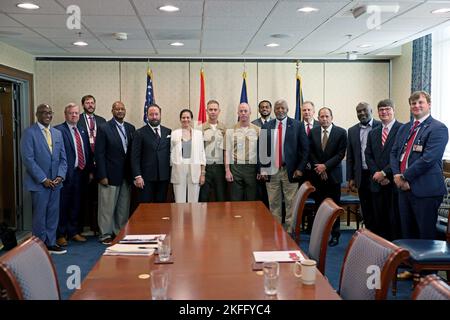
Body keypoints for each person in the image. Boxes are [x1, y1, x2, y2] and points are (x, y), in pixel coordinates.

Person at [391, 91, 449, 240]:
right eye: (413, 103)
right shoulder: (404, 128)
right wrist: (397, 175)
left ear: (429, 105)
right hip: (403, 188)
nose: (416, 106)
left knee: (425, 234)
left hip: (426, 190)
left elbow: (429, 159)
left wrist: (405, 177)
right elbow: (394, 153)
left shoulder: (438, 128)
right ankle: (409, 263)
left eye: (420, 102)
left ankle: (425, 264)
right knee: (407, 232)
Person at [20, 104, 67, 254]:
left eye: (49, 112)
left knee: (53, 213)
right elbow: (28, 159)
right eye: (44, 112)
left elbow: (63, 159)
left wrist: (60, 176)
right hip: (40, 183)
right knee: (40, 215)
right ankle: (39, 247)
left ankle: (51, 243)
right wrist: (43, 179)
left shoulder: (57, 133)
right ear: (37, 114)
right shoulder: (29, 133)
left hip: (56, 183)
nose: (47, 115)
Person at [259, 99, 309, 233]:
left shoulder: (297, 125)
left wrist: (300, 168)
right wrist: (263, 169)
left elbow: (305, 149)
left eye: (283, 108)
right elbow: (262, 149)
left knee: (291, 204)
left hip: (291, 171)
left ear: (287, 109)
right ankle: (276, 232)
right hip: (272, 171)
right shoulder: (267, 126)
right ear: (274, 110)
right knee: (274, 204)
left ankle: (289, 233)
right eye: (277, 108)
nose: (280, 110)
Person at [95, 101, 135, 244]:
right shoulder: (104, 128)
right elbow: (99, 154)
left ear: (125, 111)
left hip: (126, 175)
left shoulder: (131, 128)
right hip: (109, 175)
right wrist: (102, 175)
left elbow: (131, 153)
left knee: (123, 207)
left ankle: (119, 232)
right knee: (107, 206)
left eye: (122, 109)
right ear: (112, 111)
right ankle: (105, 234)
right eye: (117, 109)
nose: (120, 111)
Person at [309, 107, 347, 246]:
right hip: (318, 176)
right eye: (321, 116)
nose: (324, 119)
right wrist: (319, 167)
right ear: (318, 118)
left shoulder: (341, 132)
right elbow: (310, 152)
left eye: (326, 116)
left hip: (333, 176)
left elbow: (340, 154)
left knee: (334, 207)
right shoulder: (313, 132)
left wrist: (325, 166)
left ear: (332, 117)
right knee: (319, 207)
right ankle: (320, 234)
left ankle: (335, 235)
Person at [55, 103, 92, 247]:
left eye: (76, 113)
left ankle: (73, 231)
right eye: (71, 113)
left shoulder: (82, 130)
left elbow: (87, 151)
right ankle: (61, 234)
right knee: (63, 204)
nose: (74, 115)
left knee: (77, 204)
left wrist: (89, 171)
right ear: (66, 115)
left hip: (81, 173)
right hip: (65, 174)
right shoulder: (58, 130)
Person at [365, 99, 402, 240]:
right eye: (381, 110)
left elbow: (399, 155)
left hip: (394, 183)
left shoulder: (402, 129)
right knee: (378, 220)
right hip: (376, 183)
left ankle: (393, 254)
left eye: (387, 109)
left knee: (393, 221)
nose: (384, 112)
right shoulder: (373, 132)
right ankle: (380, 251)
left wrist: (385, 173)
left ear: (393, 110)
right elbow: (368, 155)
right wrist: (377, 174)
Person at [346, 102, 381, 232]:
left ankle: (380, 239)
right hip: (361, 176)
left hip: (378, 175)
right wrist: (350, 178)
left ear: (371, 111)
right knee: (366, 210)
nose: (362, 113)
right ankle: (369, 237)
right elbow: (350, 156)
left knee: (378, 209)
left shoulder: (380, 125)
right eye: (359, 111)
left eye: (364, 110)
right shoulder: (352, 130)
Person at [78, 95, 106, 236]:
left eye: (92, 102)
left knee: (99, 197)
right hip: (84, 165)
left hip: (99, 164)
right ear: (83, 105)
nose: (90, 105)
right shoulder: (78, 120)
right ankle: (84, 227)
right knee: (84, 197)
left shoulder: (102, 121)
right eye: (87, 103)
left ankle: (97, 227)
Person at [131, 104, 171, 203]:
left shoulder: (168, 131)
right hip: (145, 178)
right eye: (151, 114)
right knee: (145, 208)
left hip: (163, 177)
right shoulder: (139, 133)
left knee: (161, 208)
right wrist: (137, 176)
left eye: (156, 114)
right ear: (147, 116)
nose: (154, 117)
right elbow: (135, 157)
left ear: (160, 115)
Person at [225, 103, 260, 201]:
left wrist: (261, 169)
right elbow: (227, 152)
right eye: (241, 111)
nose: (243, 113)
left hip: (251, 168)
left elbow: (261, 153)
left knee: (252, 200)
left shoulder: (258, 130)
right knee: (235, 200)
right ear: (238, 113)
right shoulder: (230, 130)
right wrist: (227, 170)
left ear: (250, 113)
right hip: (236, 168)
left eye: (245, 111)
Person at [170, 109, 206, 203]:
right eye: (183, 117)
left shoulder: (198, 134)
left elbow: (202, 154)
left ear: (191, 119)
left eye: (188, 117)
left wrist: (202, 173)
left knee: (194, 202)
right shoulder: (174, 134)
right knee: (179, 201)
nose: (185, 119)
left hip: (194, 169)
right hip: (179, 169)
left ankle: (195, 218)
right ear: (180, 119)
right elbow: (171, 152)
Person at [199, 100, 227, 202]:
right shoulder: (200, 128)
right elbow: (199, 151)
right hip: (206, 167)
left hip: (220, 167)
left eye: (215, 109)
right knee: (203, 197)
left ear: (219, 111)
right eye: (210, 109)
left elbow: (226, 150)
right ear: (206, 111)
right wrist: (202, 171)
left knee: (221, 196)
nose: (213, 112)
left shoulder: (224, 128)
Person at [252, 100, 272, 207]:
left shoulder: (275, 123)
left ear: (270, 109)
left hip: (273, 165)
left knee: (272, 196)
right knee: (260, 195)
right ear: (259, 109)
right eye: (262, 107)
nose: (264, 109)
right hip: (258, 164)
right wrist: (259, 168)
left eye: (267, 107)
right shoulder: (253, 124)